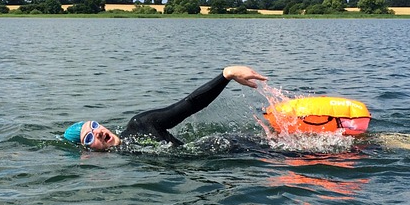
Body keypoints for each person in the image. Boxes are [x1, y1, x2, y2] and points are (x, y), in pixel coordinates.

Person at [63, 66, 267, 151]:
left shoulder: (140, 124)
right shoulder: (125, 159)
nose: (98, 132)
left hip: (243, 147)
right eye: (89, 138)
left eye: (94, 126)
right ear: (86, 151)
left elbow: (189, 105)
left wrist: (226, 75)